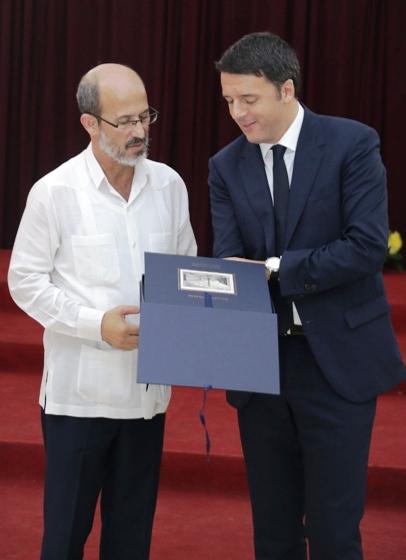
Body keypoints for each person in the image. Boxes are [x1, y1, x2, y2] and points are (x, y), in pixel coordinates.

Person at [209, 32, 405, 560]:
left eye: (248, 100)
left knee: (335, 528)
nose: (237, 113)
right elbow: (229, 258)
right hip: (260, 367)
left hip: (337, 363)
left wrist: (273, 269)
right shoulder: (225, 165)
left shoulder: (352, 143)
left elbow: (366, 247)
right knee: (272, 530)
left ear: (287, 90)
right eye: (229, 101)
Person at [8, 63, 197, 560]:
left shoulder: (169, 186)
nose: (139, 132)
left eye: (145, 117)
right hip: (79, 401)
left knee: (131, 540)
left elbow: (184, 272)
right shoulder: (55, 192)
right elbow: (24, 281)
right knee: (65, 538)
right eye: (125, 121)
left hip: (147, 395)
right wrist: (96, 325)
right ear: (89, 123)